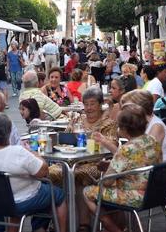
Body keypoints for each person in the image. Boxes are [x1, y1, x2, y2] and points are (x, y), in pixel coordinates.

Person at [0, 113, 69, 232]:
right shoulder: (17, 153)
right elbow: (43, 171)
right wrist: (34, 153)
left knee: (31, 190)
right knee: (59, 194)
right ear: (9, 131)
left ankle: (39, 227)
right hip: (21, 201)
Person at [83, 104, 162, 232]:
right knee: (112, 189)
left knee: (87, 192)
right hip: (156, 192)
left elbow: (107, 181)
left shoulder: (126, 149)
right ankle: (123, 227)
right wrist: (112, 165)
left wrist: (106, 171)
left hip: (136, 196)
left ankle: (113, 228)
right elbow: (139, 163)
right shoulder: (152, 141)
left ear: (124, 129)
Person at [50, 87, 118, 229]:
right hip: (70, 162)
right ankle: (56, 221)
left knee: (79, 175)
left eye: (92, 104)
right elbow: (65, 138)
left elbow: (113, 147)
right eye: (86, 104)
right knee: (49, 173)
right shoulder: (77, 119)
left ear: (100, 105)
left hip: (97, 164)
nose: (89, 108)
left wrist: (100, 141)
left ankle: (83, 224)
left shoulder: (108, 123)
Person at [120, 90, 166, 161]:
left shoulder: (156, 126)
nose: (124, 113)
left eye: (127, 109)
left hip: (161, 169)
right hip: (146, 167)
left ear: (138, 109)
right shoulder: (141, 124)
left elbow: (146, 157)